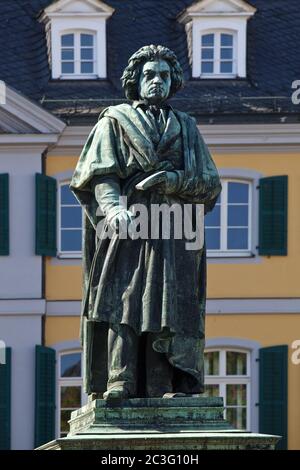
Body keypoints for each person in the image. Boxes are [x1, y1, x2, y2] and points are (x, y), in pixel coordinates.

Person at [70, 45, 221, 401]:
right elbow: (99, 174)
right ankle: (119, 380)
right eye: (149, 75)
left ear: (173, 82)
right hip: (127, 222)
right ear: (135, 80)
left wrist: (173, 182)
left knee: (169, 304)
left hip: (177, 226)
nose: (157, 82)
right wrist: (112, 209)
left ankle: (162, 384)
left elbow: (210, 183)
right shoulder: (114, 120)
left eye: (164, 76)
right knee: (123, 299)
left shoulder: (186, 126)